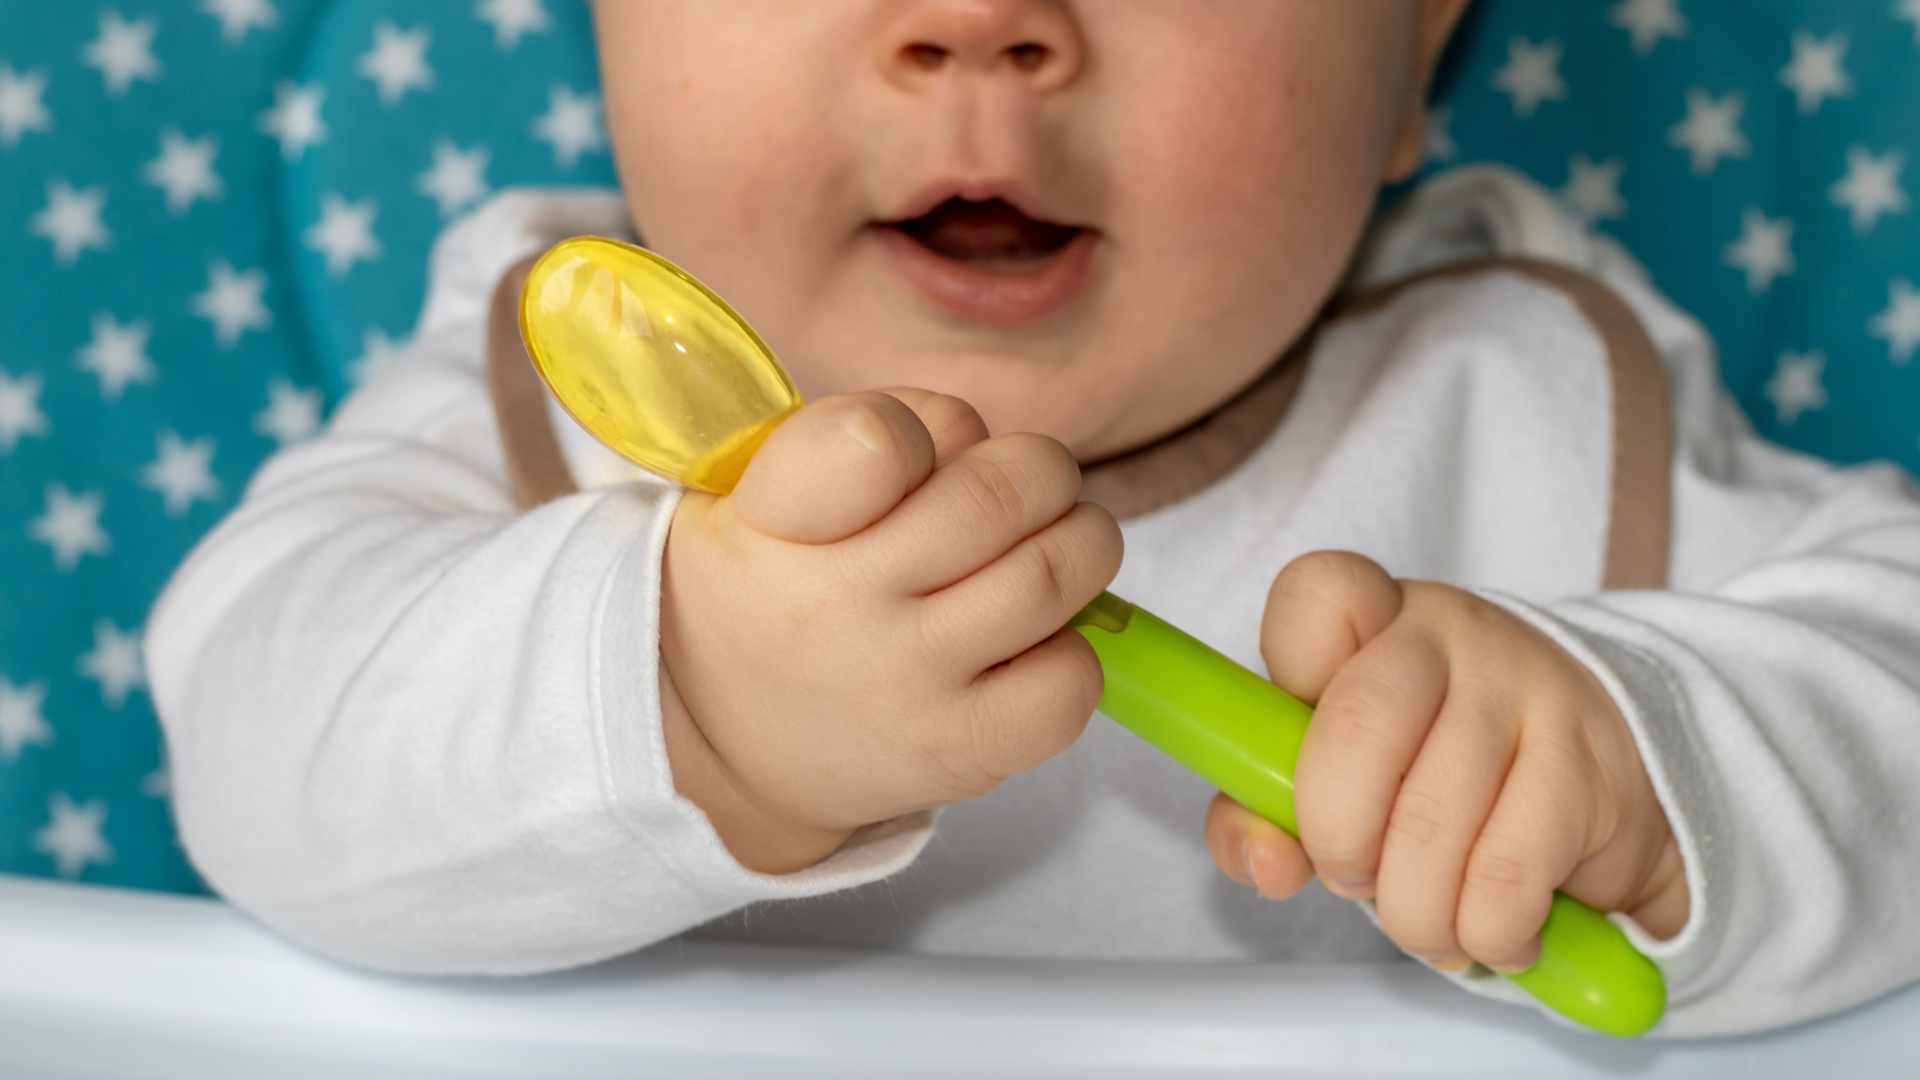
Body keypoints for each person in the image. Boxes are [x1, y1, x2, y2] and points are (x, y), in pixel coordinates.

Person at [147, 0, 1920, 1037]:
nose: (983, 25)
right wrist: (682, 693)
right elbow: (249, 724)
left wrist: (1656, 766)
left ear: (1418, 49)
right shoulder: (563, 392)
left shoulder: (1527, 380)